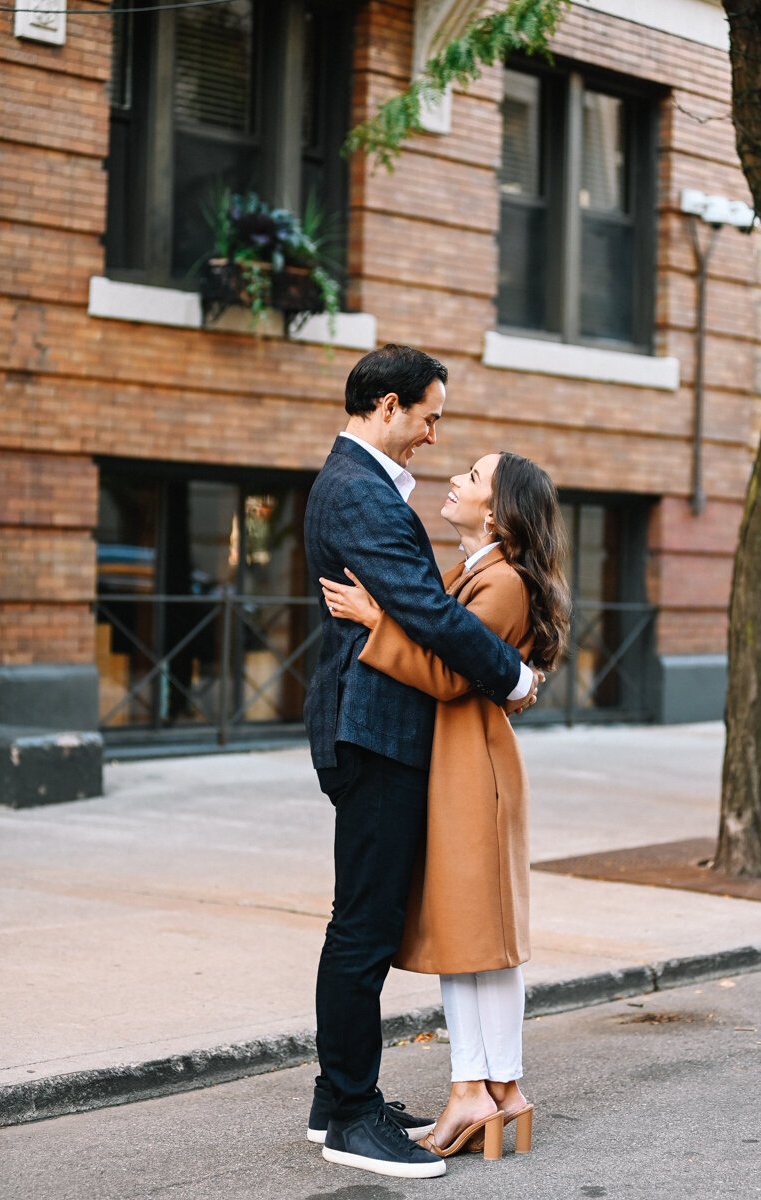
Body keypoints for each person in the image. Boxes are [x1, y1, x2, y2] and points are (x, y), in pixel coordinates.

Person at [303, 345, 539, 1180]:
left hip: (375, 730)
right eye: (431, 416)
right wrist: (514, 673)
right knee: (362, 930)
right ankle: (351, 1119)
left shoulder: (363, 486)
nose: (435, 436)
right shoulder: (360, 492)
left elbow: (419, 612)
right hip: (372, 733)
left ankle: (338, 1099)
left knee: (360, 921)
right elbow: (431, 616)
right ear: (390, 405)